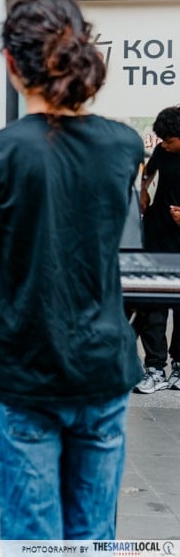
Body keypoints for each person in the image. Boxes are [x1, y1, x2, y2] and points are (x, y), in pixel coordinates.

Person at [0, 0, 144, 540]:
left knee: (33, 537)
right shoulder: (124, 146)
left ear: (13, 64)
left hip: (27, 370)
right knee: (92, 536)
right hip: (103, 367)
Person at [132, 106, 180, 393]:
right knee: (153, 305)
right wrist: (144, 191)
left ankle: (178, 368)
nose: (163, 144)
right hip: (157, 235)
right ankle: (154, 368)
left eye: (169, 139)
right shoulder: (163, 151)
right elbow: (147, 175)